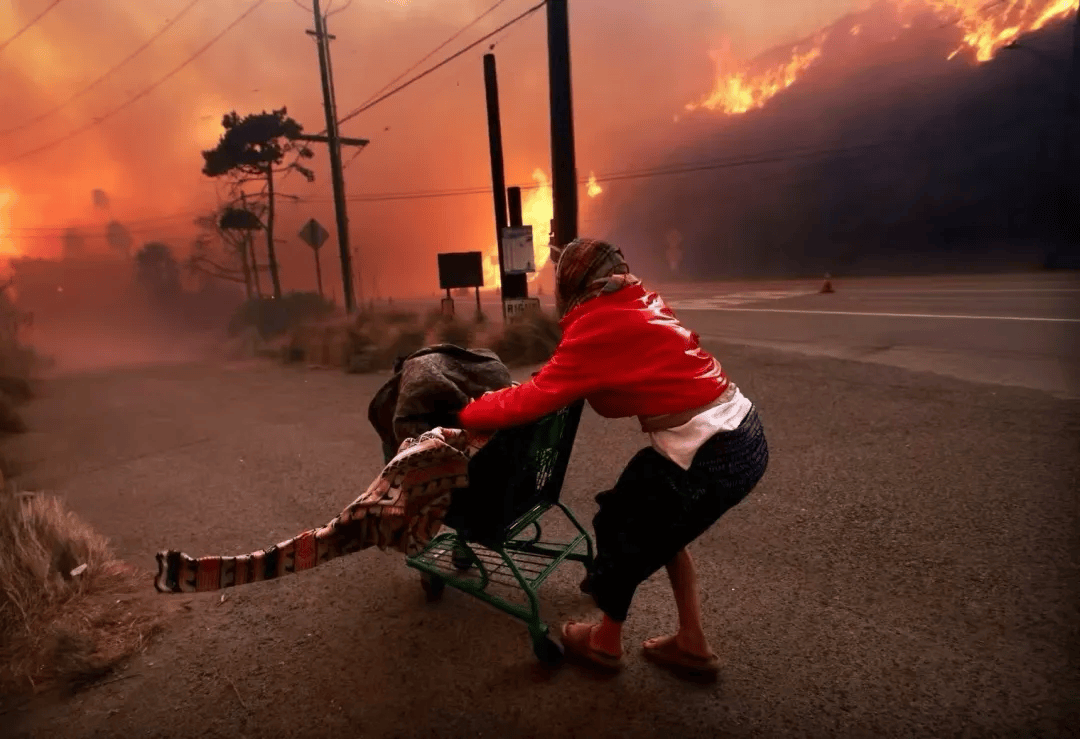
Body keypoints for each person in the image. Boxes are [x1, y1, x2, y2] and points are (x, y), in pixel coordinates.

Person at [448, 238, 769, 676]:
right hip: (743, 430)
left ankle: (605, 643)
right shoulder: (640, 301)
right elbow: (604, 389)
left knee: (621, 521)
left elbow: (530, 401)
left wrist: (466, 411)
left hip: (711, 450)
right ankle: (692, 643)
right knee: (660, 520)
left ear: (573, 286)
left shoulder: (596, 324)